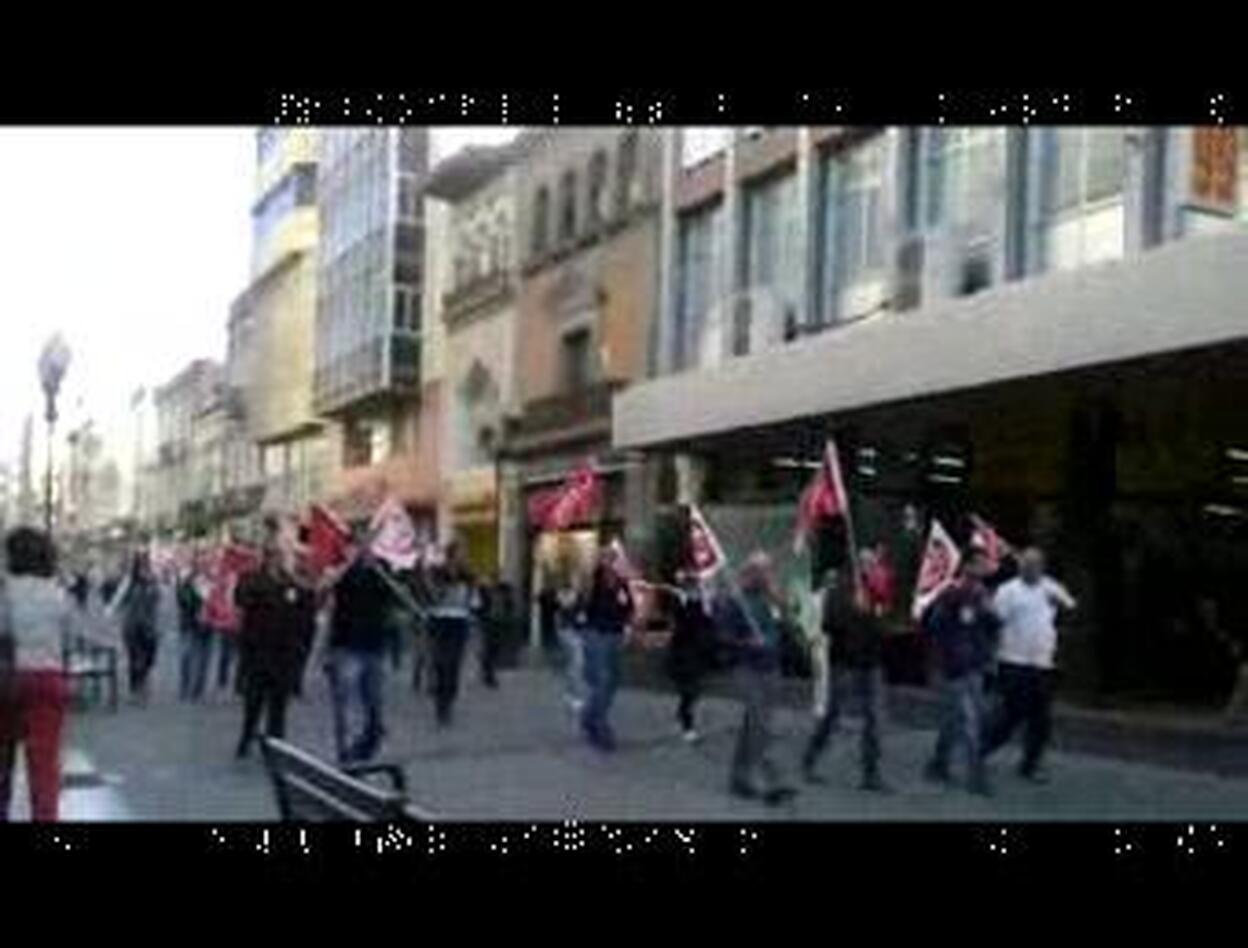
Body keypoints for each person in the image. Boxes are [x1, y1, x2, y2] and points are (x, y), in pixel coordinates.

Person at [0, 528, 77, 821]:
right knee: (44, 766)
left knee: (3, 761)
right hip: (48, 679)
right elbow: (68, 639)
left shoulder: (5, 591)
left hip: (10, 679)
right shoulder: (58, 593)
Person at [982, 547, 1076, 783]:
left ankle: (1030, 765)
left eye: (1035, 565)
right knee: (1011, 714)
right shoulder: (1008, 591)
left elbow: (1070, 606)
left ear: (1042, 567)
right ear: (1020, 567)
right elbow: (995, 621)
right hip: (1013, 661)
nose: (1030, 569)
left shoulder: (1050, 587)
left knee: (1041, 718)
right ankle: (981, 750)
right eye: (1026, 564)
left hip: (1042, 663)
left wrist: (1061, 605)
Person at [715, 552, 797, 806]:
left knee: (756, 724)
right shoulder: (735, 600)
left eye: (769, 569)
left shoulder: (770, 599)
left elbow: (787, 623)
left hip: (770, 667)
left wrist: (781, 602)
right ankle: (765, 778)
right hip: (746, 667)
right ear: (750, 572)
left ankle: (739, 777)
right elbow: (722, 636)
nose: (767, 574)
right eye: (762, 570)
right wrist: (747, 642)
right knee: (759, 722)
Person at [802, 561, 890, 792]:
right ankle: (810, 758)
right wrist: (852, 611)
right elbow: (828, 625)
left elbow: (881, 625)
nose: (872, 566)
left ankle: (871, 772)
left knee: (875, 717)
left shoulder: (875, 590)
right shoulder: (838, 592)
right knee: (833, 714)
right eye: (868, 563)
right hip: (846, 663)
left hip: (872, 662)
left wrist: (874, 612)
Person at [922, 548, 1001, 796]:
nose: (983, 569)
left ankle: (938, 763)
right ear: (966, 566)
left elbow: (992, 628)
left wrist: (990, 614)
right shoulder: (952, 594)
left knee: (956, 720)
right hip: (954, 668)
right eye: (978, 564)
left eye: (984, 564)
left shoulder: (983, 595)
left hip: (975, 666)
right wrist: (943, 660)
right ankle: (977, 777)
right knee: (970, 720)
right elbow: (935, 626)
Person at [233, 535, 314, 759]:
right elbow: (241, 600)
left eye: (280, 556)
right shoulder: (251, 579)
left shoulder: (292, 582)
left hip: (283, 653)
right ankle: (246, 737)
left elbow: (305, 609)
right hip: (257, 651)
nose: (278, 559)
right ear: (266, 557)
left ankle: (276, 745)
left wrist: (304, 586)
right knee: (254, 703)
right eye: (273, 555)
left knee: (278, 705)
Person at [325, 539, 396, 763]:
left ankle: (369, 745)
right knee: (345, 704)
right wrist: (348, 564)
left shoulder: (381, 568)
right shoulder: (341, 568)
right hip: (346, 646)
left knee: (374, 703)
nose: (362, 549)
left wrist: (378, 569)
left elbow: (393, 594)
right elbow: (326, 586)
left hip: (374, 645)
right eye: (355, 545)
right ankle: (345, 752)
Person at [579, 546, 635, 752]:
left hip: (615, 633)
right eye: (606, 558)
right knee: (603, 679)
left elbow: (628, 605)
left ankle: (588, 716)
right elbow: (583, 604)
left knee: (613, 681)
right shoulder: (592, 580)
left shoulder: (621, 583)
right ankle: (600, 725)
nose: (610, 562)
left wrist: (627, 623)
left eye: (613, 558)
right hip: (596, 633)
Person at [426, 542, 479, 727]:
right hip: (440, 620)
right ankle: (441, 702)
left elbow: (474, 601)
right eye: (459, 554)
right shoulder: (438, 572)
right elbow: (432, 596)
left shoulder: (469, 575)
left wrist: (471, 605)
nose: (462, 557)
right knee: (441, 663)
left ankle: (448, 701)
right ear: (450, 555)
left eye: (463, 554)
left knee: (454, 664)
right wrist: (439, 587)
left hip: (459, 620)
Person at [665, 569, 715, 743]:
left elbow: (707, 623)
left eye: (696, 585)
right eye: (693, 585)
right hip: (683, 651)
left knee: (693, 690)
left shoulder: (701, 603)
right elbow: (681, 623)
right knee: (689, 689)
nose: (697, 588)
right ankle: (687, 726)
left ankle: (683, 714)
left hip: (696, 651)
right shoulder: (681, 602)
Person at [113, 549, 162, 705]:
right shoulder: (129, 582)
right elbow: (117, 601)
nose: (144, 568)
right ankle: (136, 690)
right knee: (135, 659)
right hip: (132, 627)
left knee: (149, 659)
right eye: (141, 565)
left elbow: (158, 601)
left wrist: (152, 585)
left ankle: (142, 684)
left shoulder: (153, 581)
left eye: (146, 564)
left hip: (149, 626)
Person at [176, 549, 214, 702]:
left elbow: (218, 601)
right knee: (187, 655)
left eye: (206, 560)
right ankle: (185, 686)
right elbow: (181, 599)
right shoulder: (187, 579)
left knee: (204, 658)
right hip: (189, 622)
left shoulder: (213, 580)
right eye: (201, 560)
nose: (204, 563)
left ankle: (198, 690)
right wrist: (196, 607)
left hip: (207, 624)